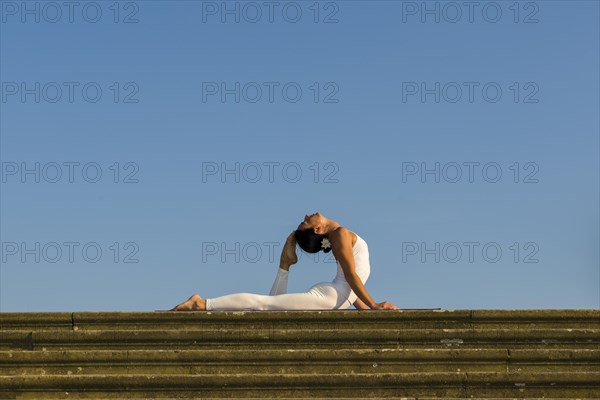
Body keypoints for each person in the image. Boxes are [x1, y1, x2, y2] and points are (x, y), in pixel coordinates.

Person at [170, 212, 398, 311]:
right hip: (332, 295)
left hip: (336, 295)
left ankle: (284, 265)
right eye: (306, 221)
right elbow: (350, 276)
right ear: (318, 230)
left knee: (269, 308)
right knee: (265, 306)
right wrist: (374, 304)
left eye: (305, 220)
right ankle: (203, 304)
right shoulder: (339, 234)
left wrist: (365, 308)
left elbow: (350, 287)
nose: (308, 215)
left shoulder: (339, 235)